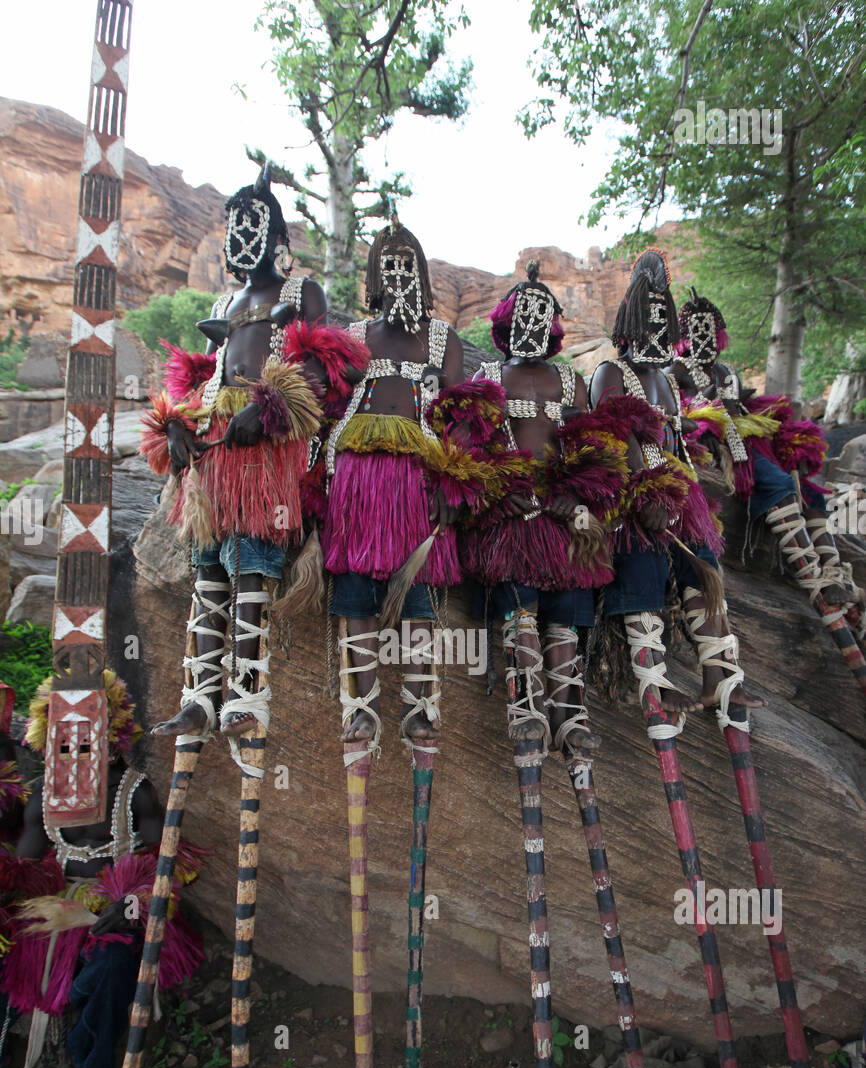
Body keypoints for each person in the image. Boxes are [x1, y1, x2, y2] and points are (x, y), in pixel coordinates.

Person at [140, 164, 364, 764]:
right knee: (208, 559)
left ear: (278, 239)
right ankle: (200, 693)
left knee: (252, 556)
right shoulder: (226, 300)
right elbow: (203, 375)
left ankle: (246, 688)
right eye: (236, 226)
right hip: (214, 446)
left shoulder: (299, 294)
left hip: (265, 448)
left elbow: (324, 371)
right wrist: (180, 428)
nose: (244, 236)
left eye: (255, 225)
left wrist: (269, 408)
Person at [0, 672, 204, 1068]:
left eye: (84, 734)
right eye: (62, 737)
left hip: (121, 903)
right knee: (22, 949)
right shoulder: (44, 798)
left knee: (112, 963)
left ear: (108, 734)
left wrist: (133, 903)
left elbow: (167, 866)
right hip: (60, 906)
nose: (73, 745)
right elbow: (25, 870)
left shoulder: (135, 791)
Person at [589, 249, 766, 719]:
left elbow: (674, 439)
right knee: (641, 564)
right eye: (648, 318)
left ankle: (719, 676)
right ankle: (656, 680)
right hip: (629, 499)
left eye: (663, 319)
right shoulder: (611, 373)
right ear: (630, 320)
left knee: (704, 567)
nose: (657, 328)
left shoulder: (666, 382)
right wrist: (646, 496)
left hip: (676, 490)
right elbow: (610, 443)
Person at [459, 262, 626, 753]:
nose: (529, 326)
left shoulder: (571, 382)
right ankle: (526, 706)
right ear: (504, 325)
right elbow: (469, 441)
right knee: (521, 610)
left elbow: (598, 443)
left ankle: (570, 712)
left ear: (552, 328)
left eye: (539, 317)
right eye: (520, 317)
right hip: (511, 514)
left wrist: (577, 493)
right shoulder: (487, 375)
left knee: (567, 612)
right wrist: (494, 489)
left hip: (562, 508)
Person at [320, 215, 469, 749]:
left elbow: (460, 419)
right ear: (374, 279)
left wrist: (453, 484)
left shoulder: (441, 340)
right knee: (356, 591)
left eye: (410, 267)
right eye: (390, 267)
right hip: (357, 479)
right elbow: (325, 404)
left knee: (419, 593)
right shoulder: (355, 336)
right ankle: (362, 708)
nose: (400, 276)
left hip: (418, 483)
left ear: (424, 278)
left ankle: (419, 704)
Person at [672, 289, 860, 622]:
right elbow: (682, 415)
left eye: (709, 330)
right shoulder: (677, 372)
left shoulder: (725, 371)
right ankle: (814, 577)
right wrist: (712, 412)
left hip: (748, 437)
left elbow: (741, 406)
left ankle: (834, 571)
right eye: (696, 331)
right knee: (776, 483)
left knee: (811, 492)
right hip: (721, 449)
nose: (704, 338)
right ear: (684, 336)